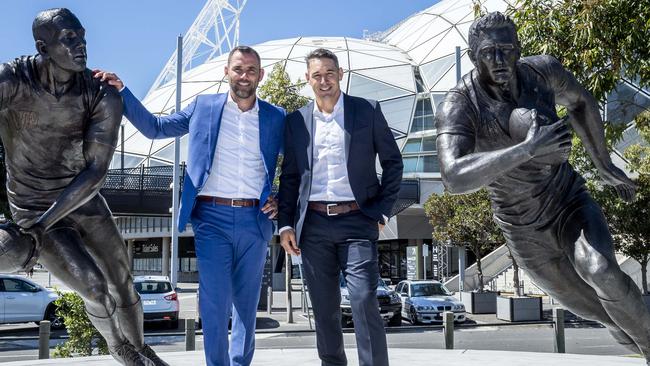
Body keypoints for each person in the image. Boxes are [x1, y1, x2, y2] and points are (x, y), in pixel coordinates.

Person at [435, 11, 650, 363]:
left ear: (520, 49)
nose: (500, 60)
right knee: (601, 312)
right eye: (490, 53)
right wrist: (527, 149)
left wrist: (605, 164)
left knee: (600, 269)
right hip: (522, 229)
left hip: (567, 200)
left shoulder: (542, 71)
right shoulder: (460, 104)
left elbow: (580, 101)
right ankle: (625, 332)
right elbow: (452, 175)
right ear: (474, 57)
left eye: (507, 49)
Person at [95, 45, 285, 366]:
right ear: (226, 72)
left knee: (246, 305)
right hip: (212, 216)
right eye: (238, 68)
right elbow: (155, 128)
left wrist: (283, 198)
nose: (244, 76)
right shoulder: (204, 107)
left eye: (252, 70)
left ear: (261, 75)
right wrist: (123, 91)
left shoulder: (275, 117)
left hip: (256, 218)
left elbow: (299, 160)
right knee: (213, 303)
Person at [0, 8, 166, 366]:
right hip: (31, 209)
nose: (81, 46)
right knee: (94, 288)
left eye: (82, 36)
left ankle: (140, 348)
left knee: (122, 282)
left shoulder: (102, 94)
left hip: (83, 200)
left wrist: (41, 225)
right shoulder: (11, 82)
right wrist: (23, 223)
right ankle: (119, 347)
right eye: (69, 40)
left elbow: (94, 172)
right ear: (43, 48)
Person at [278, 48, 403, 366]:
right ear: (307, 79)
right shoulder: (295, 122)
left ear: (340, 74)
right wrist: (286, 224)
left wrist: (381, 211)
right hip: (314, 226)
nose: (324, 81)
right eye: (317, 75)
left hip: (358, 220)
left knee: (363, 299)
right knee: (324, 308)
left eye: (329, 74)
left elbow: (393, 163)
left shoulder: (367, 111)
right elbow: (290, 178)